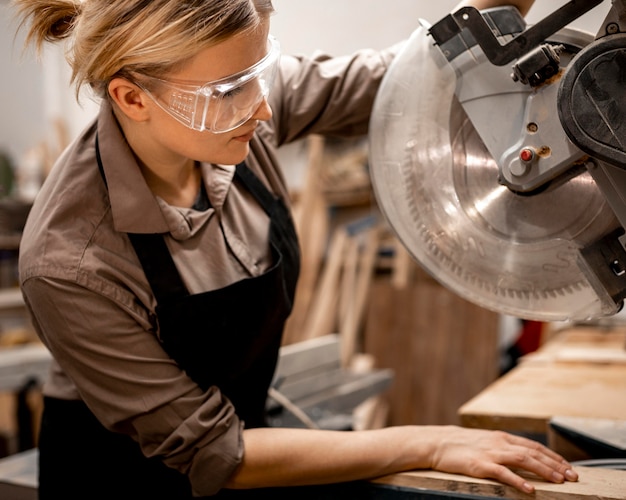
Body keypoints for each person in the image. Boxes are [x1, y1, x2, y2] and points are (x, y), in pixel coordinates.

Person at [13, 0, 579, 498]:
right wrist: (424, 442)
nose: (263, 109)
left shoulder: (230, 108)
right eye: (231, 90)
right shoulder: (70, 263)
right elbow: (217, 453)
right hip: (127, 477)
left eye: (260, 73)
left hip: (250, 444)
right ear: (132, 97)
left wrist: (501, 9)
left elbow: (415, 74)